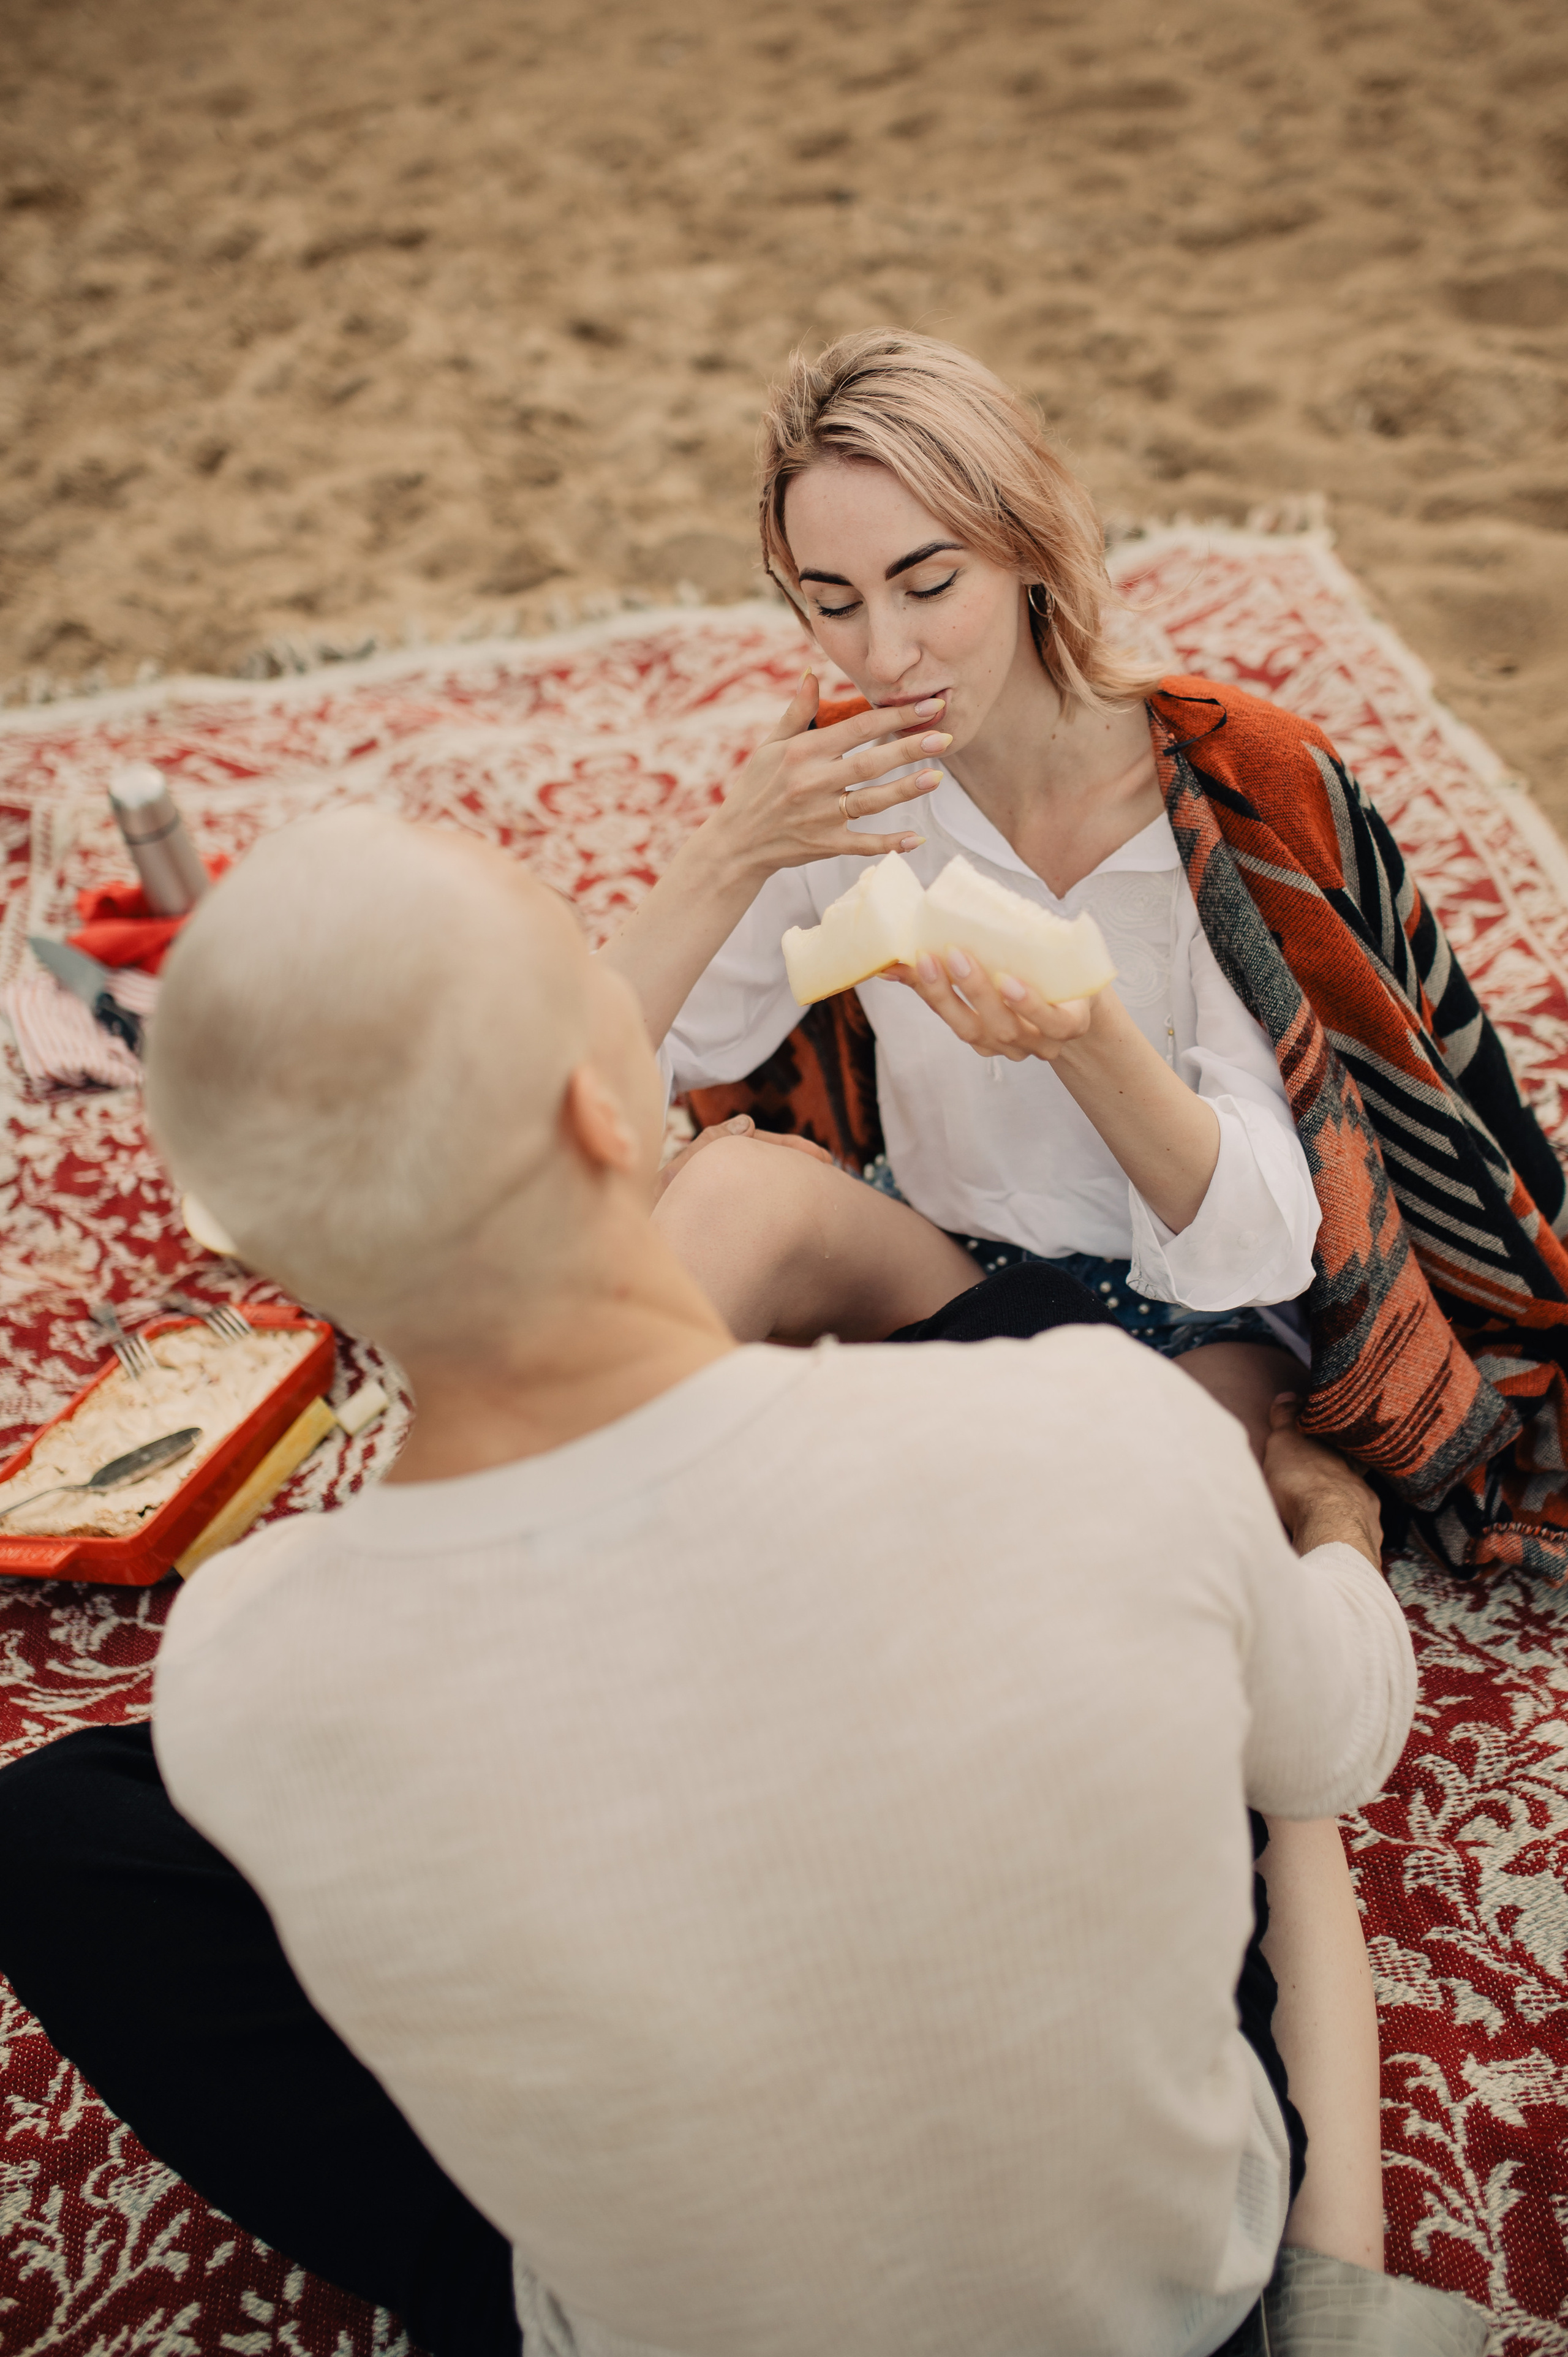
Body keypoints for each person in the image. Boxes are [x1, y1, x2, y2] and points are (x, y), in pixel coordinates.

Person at [0, 809, 1485, 2355]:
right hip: (1168, 2302)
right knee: (1208, 1681)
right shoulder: (1094, 1426)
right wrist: (1325, 1538)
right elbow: (1330, 1739)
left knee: (50, 1833)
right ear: (606, 1116)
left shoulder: (250, 1663)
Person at [603, 331, 1568, 1570]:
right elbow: (580, 1075)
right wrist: (727, 852)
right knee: (726, 1193)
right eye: (829, 601)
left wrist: (1086, 1042)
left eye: (926, 582)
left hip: (1184, 1329)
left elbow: (1261, 1239)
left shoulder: (1218, 798)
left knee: (1108, 1581)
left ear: (1024, 549)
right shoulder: (843, 785)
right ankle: (560, 1576)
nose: (880, 655)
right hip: (933, 1263)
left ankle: (1318, 1500)